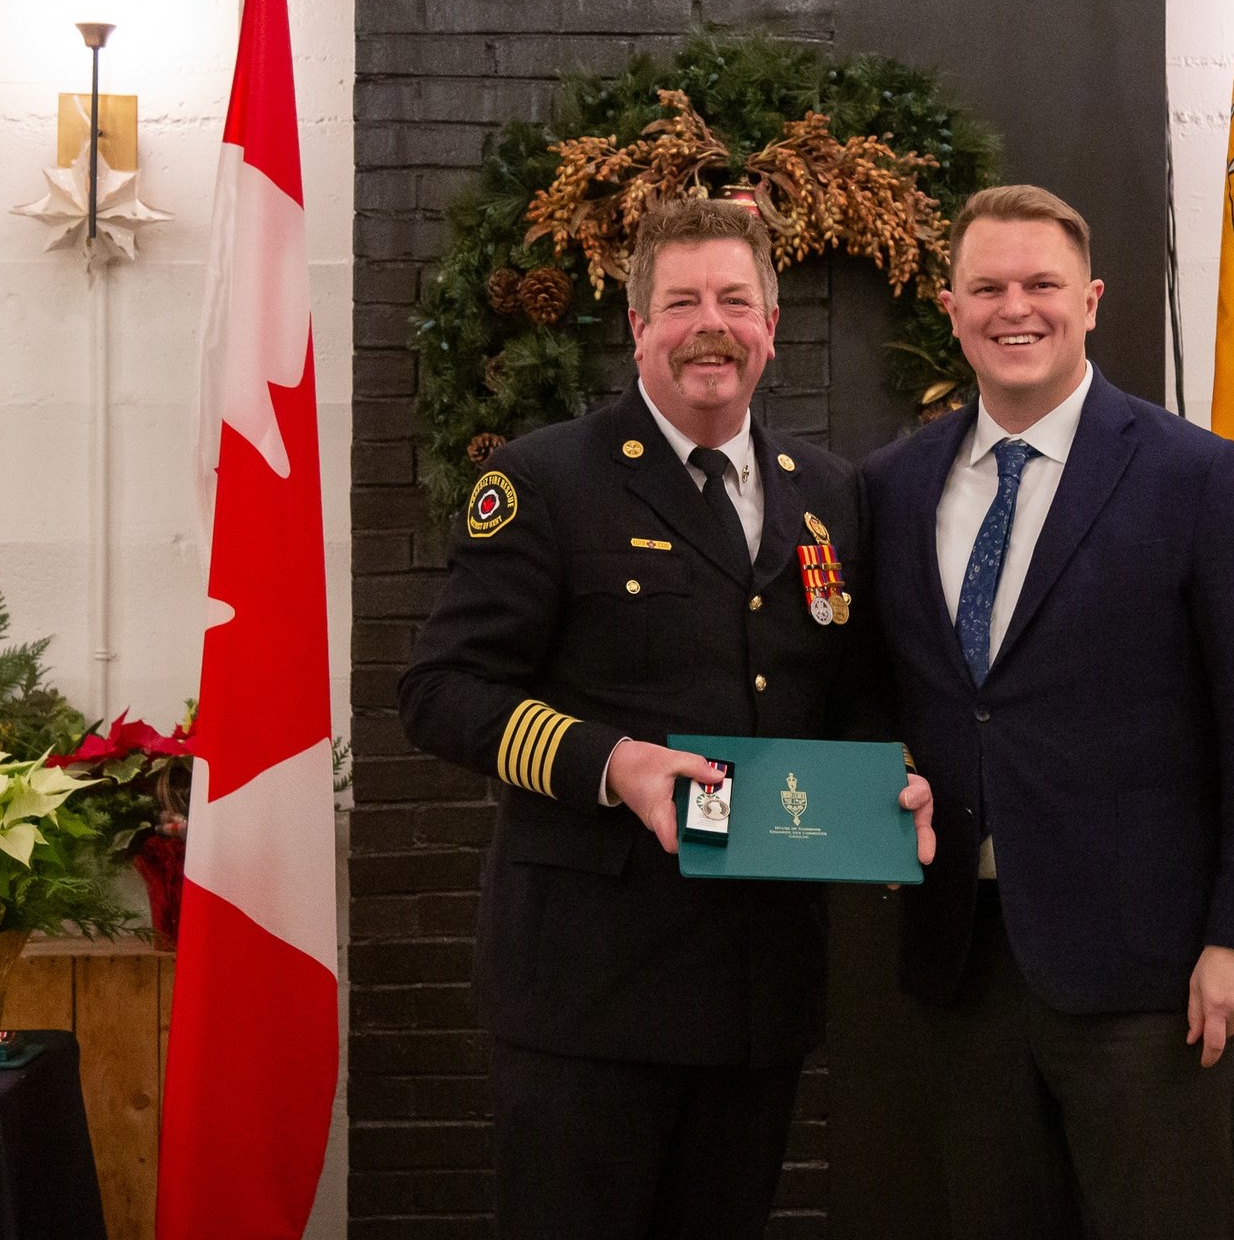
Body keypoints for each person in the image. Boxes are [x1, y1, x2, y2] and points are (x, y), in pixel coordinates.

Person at [401, 197, 935, 1240]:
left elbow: (850, 691)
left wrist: (892, 781)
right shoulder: (543, 480)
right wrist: (615, 764)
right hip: (587, 993)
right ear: (637, 327)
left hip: (755, 991)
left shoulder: (826, 494)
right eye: (681, 300)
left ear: (770, 328)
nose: (711, 323)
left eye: (736, 300)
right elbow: (440, 690)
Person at [863, 184, 1234, 1239]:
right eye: (987, 287)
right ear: (951, 305)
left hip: (1150, 978)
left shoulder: (1199, 479)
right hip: (960, 965)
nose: (1014, 307)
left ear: (1092, 300)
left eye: (1041, 284)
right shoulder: (890, 484)